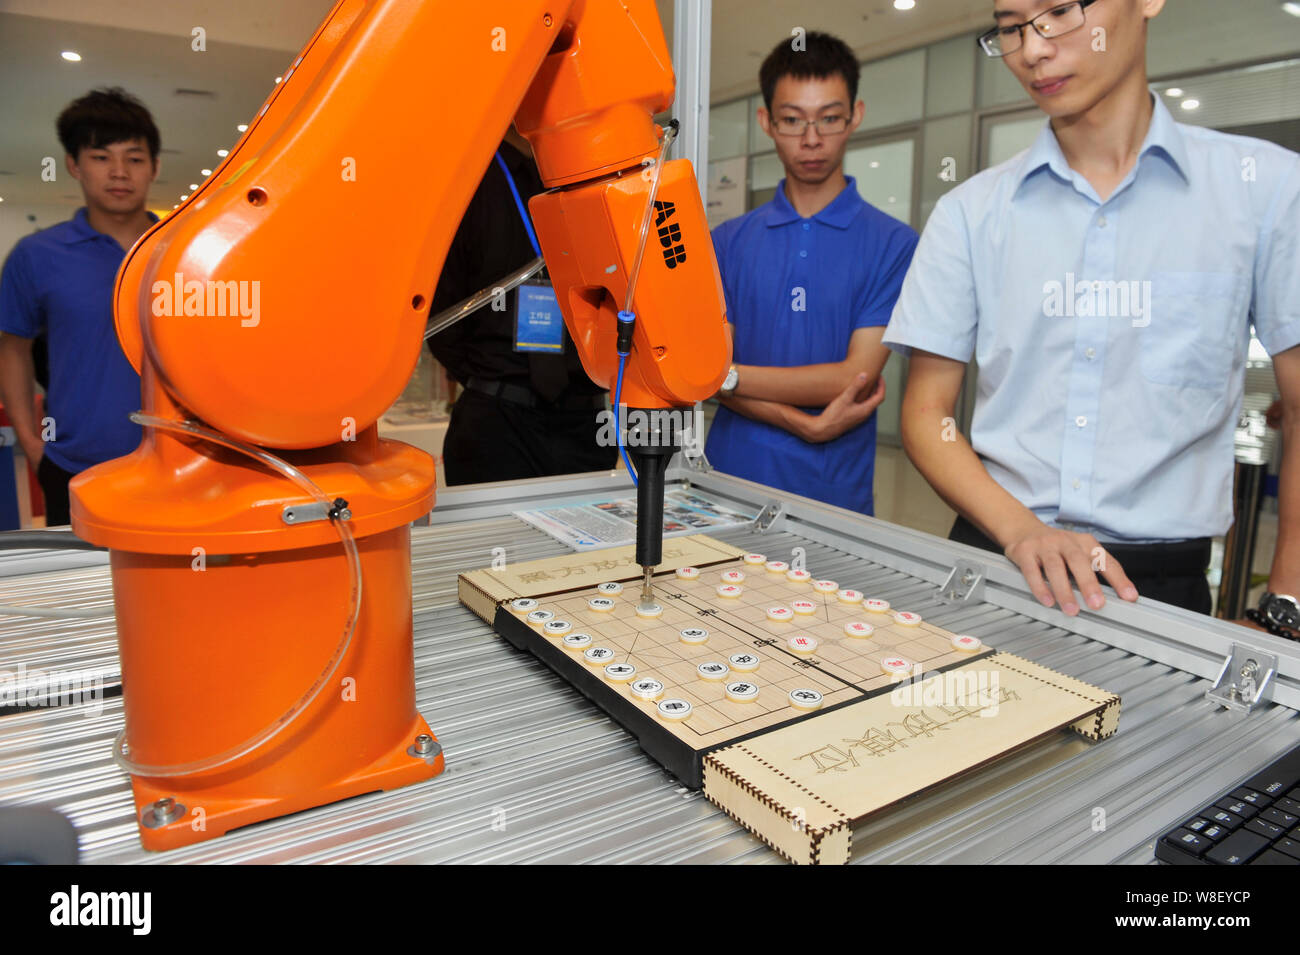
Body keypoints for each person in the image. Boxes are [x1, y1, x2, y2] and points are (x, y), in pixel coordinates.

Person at [883, 0, 1300, 619]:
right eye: (1010, 27)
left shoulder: (1263, 189)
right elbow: (925, 412)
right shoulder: (970, 213)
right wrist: (1021, 530)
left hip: (1160, 584)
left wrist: (1286, 599)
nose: (1033, 48)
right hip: (997, 555)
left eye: (1058, 11)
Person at [704, 31, 918, 515]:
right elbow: (707, 370)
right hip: (724, 490)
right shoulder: (727, 241)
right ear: (766, 122)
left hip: (833, 498)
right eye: (793, 121)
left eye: (829, 118)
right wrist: (802, 423)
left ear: (855, 115)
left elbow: (852, 376)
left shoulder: (894, 245)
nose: (812, 139)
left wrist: (729, 377)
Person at [0, 88, 160, 526]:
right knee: (82, 592)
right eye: (101, 157)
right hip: (75, 467)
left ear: (154, 168)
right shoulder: (36, 256)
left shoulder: (188, 250)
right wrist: (32, 444)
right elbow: (12, 347)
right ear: (73, 165)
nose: (119, 172)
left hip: (180, 467)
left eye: (134, 157)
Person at [427, 130, 616, 485]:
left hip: (585, 422)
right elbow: (441, 316)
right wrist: (488, 378)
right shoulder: (466, 181)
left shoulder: (594, 176)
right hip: (494, 423)